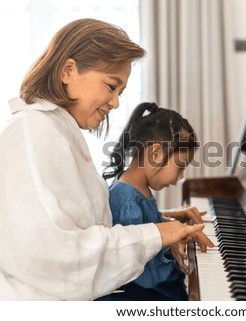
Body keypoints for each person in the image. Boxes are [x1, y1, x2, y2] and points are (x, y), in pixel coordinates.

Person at [0, 18, 209, 300]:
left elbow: (82, 225)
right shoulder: (35, 134)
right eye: (111, 86)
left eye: (120, 92)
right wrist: (159, 233)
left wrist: (165, 222)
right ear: (68, 71)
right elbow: (59, 256)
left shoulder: (56, 130)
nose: (116, 102)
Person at [98, 102, 211, 300]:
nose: (179, 177)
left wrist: (172, 222)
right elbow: (135, 258)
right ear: (156, 154)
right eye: (180, 166)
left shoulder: (136, 188)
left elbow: (147, 227)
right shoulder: (126, 199)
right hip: (142, 294)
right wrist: (169, 245)